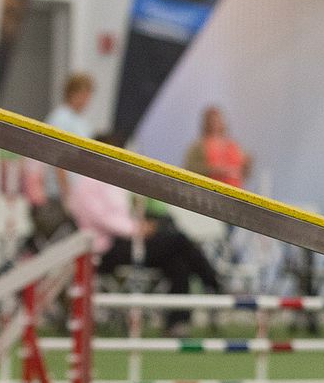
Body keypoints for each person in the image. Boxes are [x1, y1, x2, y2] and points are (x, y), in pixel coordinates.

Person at [66, 132, 223, 334]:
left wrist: (138, 224)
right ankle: (214, 283)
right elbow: (102, 219)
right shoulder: (86, 183)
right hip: (105, 249)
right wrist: (137, 228)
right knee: (178, 240)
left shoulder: (109, 179)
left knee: (178, 262)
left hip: (126, 241)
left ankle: (178, 322)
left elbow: (118, 215)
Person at [28, 72, 96, 244]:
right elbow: (59, 159)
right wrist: (67, 194)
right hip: (59, 193)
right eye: (84, 94)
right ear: (73, 94)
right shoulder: (61, 118)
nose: (88, 100)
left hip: (76, 190)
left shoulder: (80, 120)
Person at [184, 104, 252, 188]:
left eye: (218, 120)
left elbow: (243, 173)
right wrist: (214, 170)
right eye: (212, 121)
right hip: (210, 192)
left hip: (234, 192)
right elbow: (189, 169)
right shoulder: (198, 146)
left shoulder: (233, 145)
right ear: (206, 123)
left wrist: (247, 165)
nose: (215, 123)